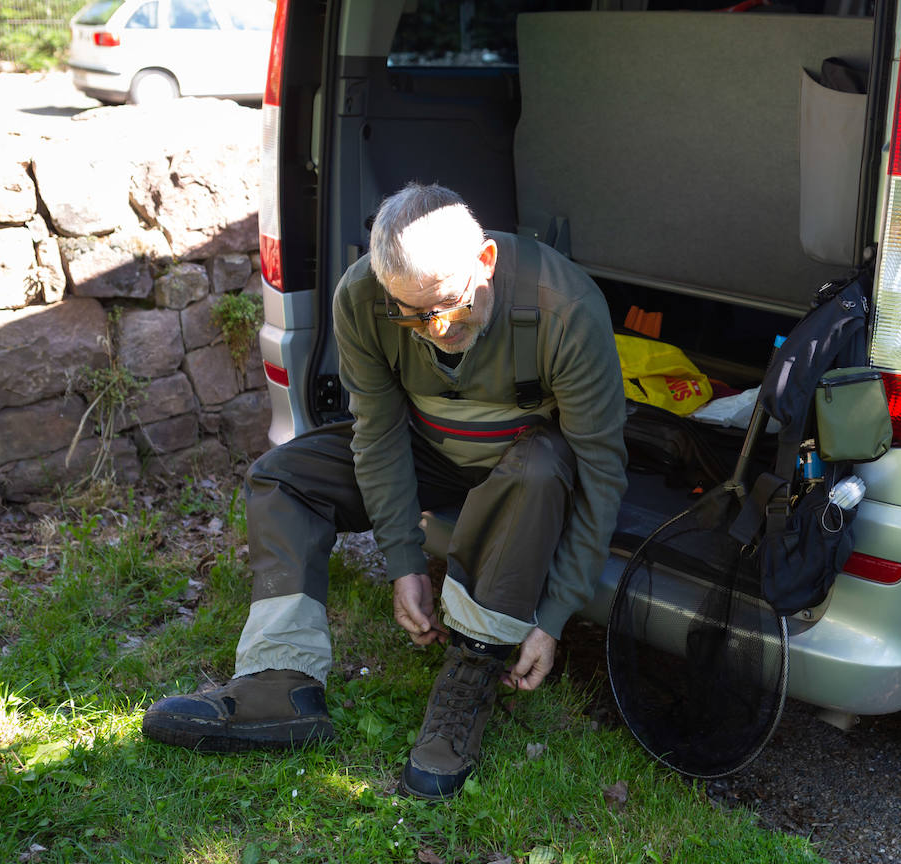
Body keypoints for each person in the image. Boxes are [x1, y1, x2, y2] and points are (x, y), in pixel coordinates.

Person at [142, 182, 628, 800]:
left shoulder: (565, 307)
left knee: (537, 467)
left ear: (485, 263)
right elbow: (376, 433)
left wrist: (555, 615)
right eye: (412, 314)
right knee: (282, 478)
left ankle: (469, 678)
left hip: (528, 466)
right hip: (430, 450)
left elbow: (601, 472)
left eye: (446, 307)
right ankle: (279, 683)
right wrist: (402, 561)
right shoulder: (364, 297)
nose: (433, 329)